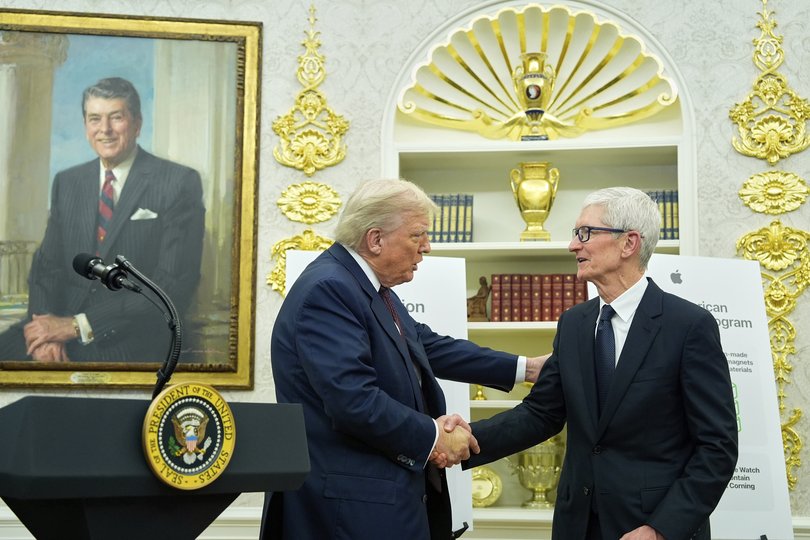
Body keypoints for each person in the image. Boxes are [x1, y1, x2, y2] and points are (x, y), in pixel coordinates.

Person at [264, 178, 547, 540]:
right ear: (375, 239)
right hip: (349, 511)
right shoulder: (330, 289)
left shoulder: (365, 285)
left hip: (378, 502)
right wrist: (435, 437)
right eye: (417, 235)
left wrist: (527, 368)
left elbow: (427, 346)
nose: (427, 247)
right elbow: (354, 401)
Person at [463, 187, 738, 540]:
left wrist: (661, 529)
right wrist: (459, 441)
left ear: (629, 243)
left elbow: (717, 447)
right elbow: (541, 413)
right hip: (577, 525)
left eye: (585, 233)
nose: (572, 246)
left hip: (651, 526)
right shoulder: (573, 323)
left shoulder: (688, 326)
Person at [0, 77, 205, 362]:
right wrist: (44, 330)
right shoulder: (68, 182)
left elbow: (170, 285)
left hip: (129, 335)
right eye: (95, 119)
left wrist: (76, 326)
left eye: (116, 117)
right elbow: (46, 267)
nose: (104, 129)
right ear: (86, 126)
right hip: (59, 326)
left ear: (137, 124)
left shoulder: (178, 182)